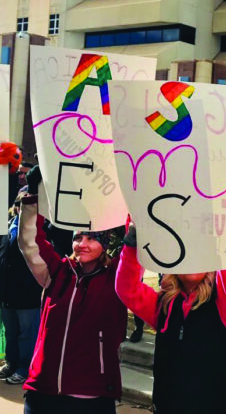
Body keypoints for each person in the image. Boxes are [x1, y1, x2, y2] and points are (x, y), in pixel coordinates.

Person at [115, 198, 226, 414]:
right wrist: (134, 240)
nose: (192, 259)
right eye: (185, 251)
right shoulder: (164, 305)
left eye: (199, 251)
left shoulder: (225, 303)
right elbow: (126, 288)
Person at [17, 167, 127, 414]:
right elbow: (29, 241)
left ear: (105, 243)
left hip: (93, 396)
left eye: (92, 238)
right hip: (42, 391)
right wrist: (35, 195)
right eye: (78, 238)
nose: (83, 244)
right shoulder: (57, 272)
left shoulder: (117, 278)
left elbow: (136, 252)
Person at [0, 192, 42, 384]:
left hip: (27, 293)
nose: (20, 207)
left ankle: (25, 367)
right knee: (11, 331)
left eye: (24, 204)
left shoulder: (38, 228)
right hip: (7, 292)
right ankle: (11, 362)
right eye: (18, 203)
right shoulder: (9, 225)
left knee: (27, 333)